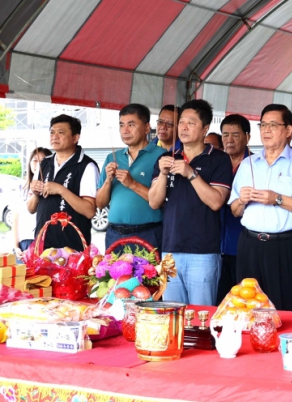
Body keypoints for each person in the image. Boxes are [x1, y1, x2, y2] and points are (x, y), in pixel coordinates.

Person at [229, 104, 292, 311]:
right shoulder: (249, 164)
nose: (266, 130)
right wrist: (241, 200)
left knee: (284, 307)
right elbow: (235, 211)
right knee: (247, 306)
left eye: (273, 125)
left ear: (289, 131)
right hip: (249, 244)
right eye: (263, 125)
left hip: (283, 246)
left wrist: (278, 199)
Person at [149, 99, 233, 306]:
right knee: (173, 315)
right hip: (170, 250)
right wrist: (162, 173)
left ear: (205, 128)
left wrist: (190, 173)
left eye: (191, 123)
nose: (183, 128)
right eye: (182, 122)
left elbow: (216, 202)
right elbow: (153, 202)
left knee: (200, 317)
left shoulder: (219, 159)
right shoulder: (166, 158)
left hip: (203, 253)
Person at [96, 103, 166, 251]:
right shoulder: (112, 158)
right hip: (114, 234)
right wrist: (108, 181)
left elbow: (163, 202)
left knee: (148, 275)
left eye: (131, 124)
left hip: (148, 233)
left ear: (147, 128)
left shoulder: (161, 156)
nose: (125, 130)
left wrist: (132, 183)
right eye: (121, 125)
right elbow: (100, 203)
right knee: (113, 275)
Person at [28, 115, 99, 250]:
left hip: (72, 249)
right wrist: (36, 193)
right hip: (42, 246)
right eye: (52, 132)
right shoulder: (44, 164)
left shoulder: (86, 166)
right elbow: (31, 208)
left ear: (75, 137)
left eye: (60, 132)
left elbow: (89, 211)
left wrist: (61, 190)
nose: (54, 136)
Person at [216, 114, 251, 304]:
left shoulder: (256, 165)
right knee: (219, 300)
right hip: (214, 244)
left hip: (243, 244)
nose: (229, 140)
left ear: (247, 137)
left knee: (243, 299)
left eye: (235, 135)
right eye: (225, 134)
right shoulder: (215, 164)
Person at [12, 148, 50, 255]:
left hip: (46, 244)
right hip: (26, 243)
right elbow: (16, 220)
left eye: (42, 161)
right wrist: (16, 247)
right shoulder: (22, 189)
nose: (38, 164)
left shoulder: (52, 188)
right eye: (35, 160)